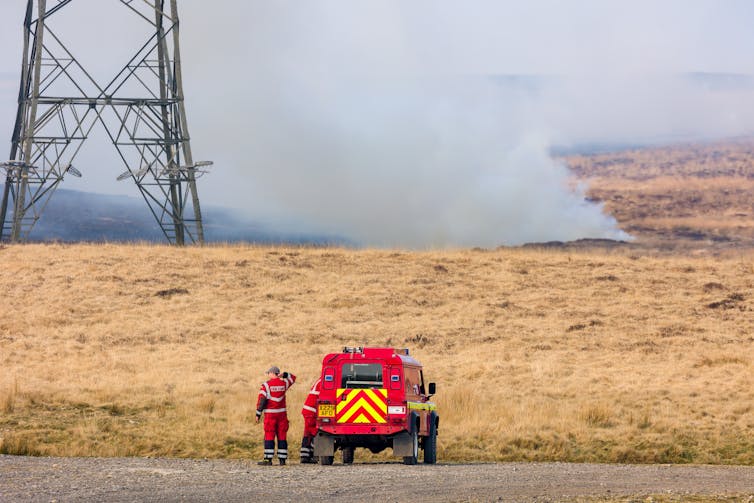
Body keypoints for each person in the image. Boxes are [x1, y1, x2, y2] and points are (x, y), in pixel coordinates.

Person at [256, 366, 296, 465]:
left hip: (270, 415)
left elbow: (262, 400)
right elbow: (293, 378)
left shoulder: (266, 385)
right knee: (282, 436)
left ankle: (268, 459)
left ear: (272, 373)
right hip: (282, 415)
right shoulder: (284, 383)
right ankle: (282, 460)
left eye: (268, 373)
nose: (268, 375)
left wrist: (258, 414)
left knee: (269, 435)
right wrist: (284, 375)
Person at [300, 376, 321, 464]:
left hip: (308, 410)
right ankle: (310, 455)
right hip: (312, 411)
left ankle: (305, 456)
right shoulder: (323, 382)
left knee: (308, 432)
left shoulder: (320, 380)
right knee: (314, 432)